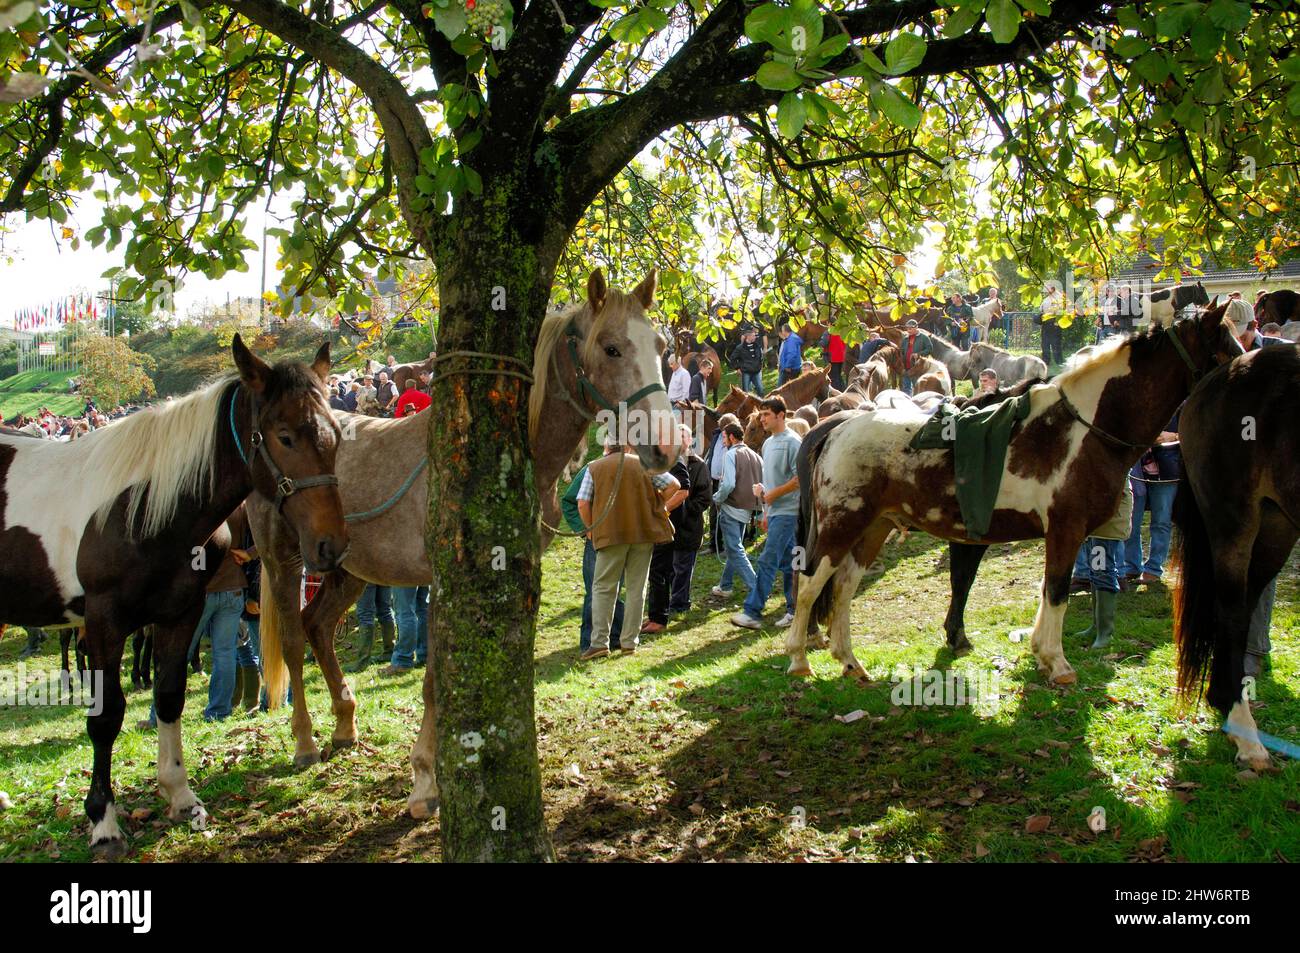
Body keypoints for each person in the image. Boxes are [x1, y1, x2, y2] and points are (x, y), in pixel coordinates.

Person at [578, 434, 679, 659]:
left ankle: (599, 642)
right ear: (627, 446)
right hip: (643, 533)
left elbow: (583, 502)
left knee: (604, 587)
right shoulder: (643, 463)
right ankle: (630, 642)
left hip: (609, 534)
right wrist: (657, 505)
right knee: (637, 588)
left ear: (606, 447)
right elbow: (674, 485)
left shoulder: (594, 467)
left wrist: (591, 529)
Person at [732, 397, 801, 628]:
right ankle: (795, 609)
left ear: (781, 415)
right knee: (789, 562)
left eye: (766, 415)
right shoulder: (768, 443)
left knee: (767, 560)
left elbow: (799, 479)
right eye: (761, 415)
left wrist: (773, 496)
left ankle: (752, 611)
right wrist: (765, 509)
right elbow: (770, 481)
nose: (762, 419)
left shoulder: (793, 442)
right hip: (774, 512)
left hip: (789, 512)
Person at [562, 448, 624, 653]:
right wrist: (586, 530)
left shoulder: (632, 466)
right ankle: (589, 641)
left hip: (623, 538)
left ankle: (616, 637)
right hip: (597, 540)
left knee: (616, 589)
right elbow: (570, 502)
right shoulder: (592, 469)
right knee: (594, 591)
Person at [642, 428, 694, 634]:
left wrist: (661, 509)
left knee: (658, 571)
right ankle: (655, 615)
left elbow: (683, 490)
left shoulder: (674, 461)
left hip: (666, 526)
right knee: (657, 570)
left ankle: (659, 619)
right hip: (662, 525)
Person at [1123, 413, 1180, 585]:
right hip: (1136, 468)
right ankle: (1131, 565)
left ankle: (1154, 569)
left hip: (1167, 472)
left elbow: (1197, 432)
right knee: (1131, 520)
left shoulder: (1181, 403)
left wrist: (1174, 436)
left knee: (1161, 521)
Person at [711, 421, 762, 600]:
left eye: (724, 437)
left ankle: (757, 588)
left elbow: (729, 484)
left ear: (732, 437)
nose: (723, 440)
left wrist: (717, 497)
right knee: (735, 548)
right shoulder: (756, 456)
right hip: (748, 510)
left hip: (732, 508)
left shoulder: (731, 454)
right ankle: (725, 585)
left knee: (735, 549)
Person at [347, 583, 396, 672]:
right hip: (384, 572)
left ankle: (363, 661)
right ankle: (389, 652)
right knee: (385, 611)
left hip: (366, 574)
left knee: (365, 615)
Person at [384, 584, 429, 675]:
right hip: (424, 571)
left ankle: (402, 661)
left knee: (404, 612)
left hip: (405, 573)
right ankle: (424, 654)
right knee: (422, 609)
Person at [729, 325, 765, 395]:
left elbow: (760, 357)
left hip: (756, 372)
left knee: (760, 390)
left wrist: (760, 366)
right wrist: (737, 368)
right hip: (746, 373)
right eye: (754, 335)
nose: (755, 337)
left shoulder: (757, 346)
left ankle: (762, 404)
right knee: (746, 392)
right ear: (748, 336)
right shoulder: (740, 348)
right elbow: (732, 359)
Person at [899, 319, 932, 396]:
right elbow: (902, 350)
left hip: (917, 367)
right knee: (906, 388)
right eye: (907, 328)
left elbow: (930, 349)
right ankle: (907, 402)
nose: (908, 330)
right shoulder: (905, 338)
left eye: (910, 328)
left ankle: (918, 401)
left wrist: (919, 354)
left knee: (917, 386)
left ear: (916, 327)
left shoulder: (924, 338)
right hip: (906, 366)